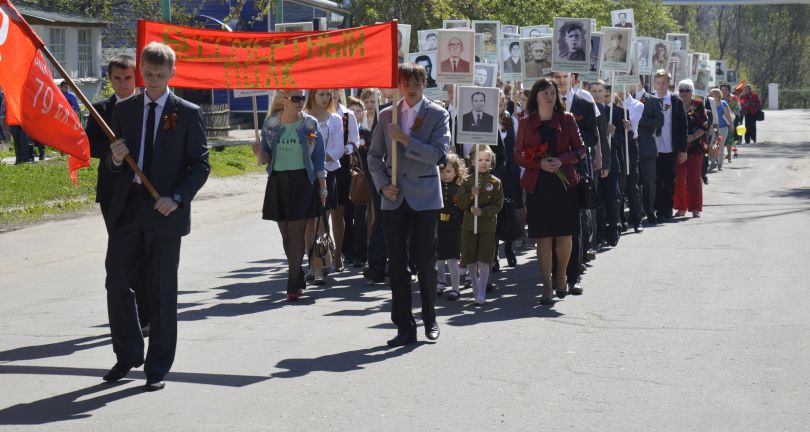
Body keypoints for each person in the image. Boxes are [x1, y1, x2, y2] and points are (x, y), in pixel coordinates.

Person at [103, 42, 210, 391]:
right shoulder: (126, 109)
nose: (152, 81)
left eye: (159, 76)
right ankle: (129, 353)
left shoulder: (183, 112)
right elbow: (113, 164)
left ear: (171, 74)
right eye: (147, 74)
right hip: (129, 208)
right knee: (117, 282)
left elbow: (200, 164)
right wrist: (116, 158)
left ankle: (157, 366)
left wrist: (177, 197)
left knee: (162, 290)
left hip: (164, 210)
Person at [367, 62, 450, 347]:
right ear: (398, 86)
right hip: (393, 199)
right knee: (398, 264)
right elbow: (373, 157)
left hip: (425, 197)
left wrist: (405, 140)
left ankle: (430, 317)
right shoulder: (388, 113)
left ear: (424, 83)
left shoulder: (437, 114)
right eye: (405, 83)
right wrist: (381, 185)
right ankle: (404, 325)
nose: (411, 88)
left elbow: (438, 154)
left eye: (416, 82)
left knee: (426, 261)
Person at [85, 55, 151, 334]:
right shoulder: (100, 109)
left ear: (137, 77)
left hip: (145, 190)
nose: (123, 84)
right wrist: (114, 151)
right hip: (113, 192)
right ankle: (129, 314)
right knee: (122, 254)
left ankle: (146, 313)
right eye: (117, 79)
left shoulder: (150, 106)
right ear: (109, 80)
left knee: (147, 254)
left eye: (128, 78)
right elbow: (91, 145)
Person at [515, 78, 586, 304]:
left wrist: (562, 160)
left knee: (565, 233)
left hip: (564, 184)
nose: (549, 96)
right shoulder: (526, 123)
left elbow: (581, 150)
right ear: (535, 96)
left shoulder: (567, 119)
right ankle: (546, 285)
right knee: (543, 236)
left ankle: (562, 276)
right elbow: (519, 155)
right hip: (538, 185)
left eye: (553, 92)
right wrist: (539, 164)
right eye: (544, 92)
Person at [255, 89, 326, 301]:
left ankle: (292, 281)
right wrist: (259, 152)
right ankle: (297, 272)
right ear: (283, 100)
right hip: (278, 181)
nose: (300, 102)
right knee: (285, 233)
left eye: (302, 98)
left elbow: (319, 159)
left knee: (296, 232)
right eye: (295, 98)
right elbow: (267, 156)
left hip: (303, 181)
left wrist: (323, 188)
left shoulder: (310, 124)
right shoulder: (270, 123)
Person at [303, 90, 346, 283]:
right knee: (309, 222)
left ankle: (327, 261)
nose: (326, 98)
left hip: (329, 173)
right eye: (321, 94)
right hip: (306, 174)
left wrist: (317, 157)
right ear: (312, 96)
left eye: (328, 94)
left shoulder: (335, 119)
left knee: (324, 219)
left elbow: (337, 150)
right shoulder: (302, 119)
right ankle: (313, 264)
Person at [456, 145, 503, 306]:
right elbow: (460, 203)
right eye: (480, 159)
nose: (484, 163)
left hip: (487, 226)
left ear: (492, 162)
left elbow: (498, 205)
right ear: (473, 162)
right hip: (469, 225)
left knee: (484, 258)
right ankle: (475, 288)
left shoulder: (495, 182)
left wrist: (483, 212)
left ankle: (481, 291)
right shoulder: (467, 181)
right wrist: (471, 195)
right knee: (469, 257)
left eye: (487, 160)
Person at [652, 69, 688, 224]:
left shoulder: (675, 101)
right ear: (654, 83)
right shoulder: (649, 99)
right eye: (658, 83)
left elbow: (682, 126)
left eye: (664, 83)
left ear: (668, 84)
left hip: (669, 147)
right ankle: (657, 209)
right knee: (655, 179)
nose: (661, 86)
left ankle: (667, 208)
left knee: (669, 179)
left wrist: (683, 149)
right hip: (653, 147)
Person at [673, 79, 708, 218]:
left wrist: (693, 137)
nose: (684, 93)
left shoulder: (698, 105)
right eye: (681, 90)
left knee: (694, 178)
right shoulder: (674, 104)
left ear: (692, 92)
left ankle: (695, 208)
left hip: (696, 147)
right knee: (679, 178)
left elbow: (705, 125)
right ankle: (681, 207)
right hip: (679, 147)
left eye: (687, 90)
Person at [437, 153, 466, 300]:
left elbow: (463, 209)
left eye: (448, 171)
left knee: (453, 259)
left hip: (454, 226)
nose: (445, 175)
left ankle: (456, 288)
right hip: (438, 226)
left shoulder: (460, 188)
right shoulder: (435, 186)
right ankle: (441, 282)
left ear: (456, 171)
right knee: (439, 259)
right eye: (441, 171)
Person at [708, 88, 732, 172]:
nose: (710, 95)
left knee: (720, 146)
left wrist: (731, 126)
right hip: (714, 127)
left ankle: (720, 164)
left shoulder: (723, 103)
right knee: (712, 145)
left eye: (711, 94)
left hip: (723, 127)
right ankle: (713, 163)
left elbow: (728, 116)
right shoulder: (710, 104)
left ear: (717, 95)